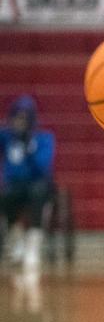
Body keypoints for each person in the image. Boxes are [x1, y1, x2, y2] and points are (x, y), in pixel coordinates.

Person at [0, 96, 55, 273]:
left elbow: (43, 168)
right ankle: (17, 240)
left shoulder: (43, 139)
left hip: (37, 185)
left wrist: (28, 148)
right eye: (17, 117)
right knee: (6, 197)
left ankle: (33, 247)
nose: (20, 122)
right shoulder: (7, 137)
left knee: (38, 194)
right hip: (14, 186)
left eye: (24, 118)